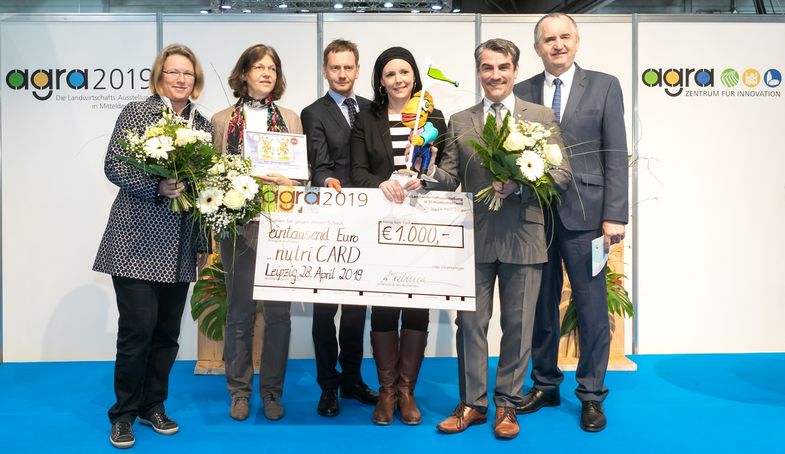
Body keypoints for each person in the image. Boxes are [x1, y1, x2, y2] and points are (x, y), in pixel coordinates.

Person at [432, 38, 571, 439]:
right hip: (473, 239)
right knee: (470, 325)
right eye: (487, 68)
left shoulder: (540, 116)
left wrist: (521, 188)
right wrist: (421, 169)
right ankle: (472, 404)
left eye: (503, 67)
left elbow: (561, 176)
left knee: (518, 325)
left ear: (514, 69)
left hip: (524, 237)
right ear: (479, 71)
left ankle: (507, 404)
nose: (495, 75)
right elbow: (449, 178)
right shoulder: (460, 121)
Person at [513, 13, 629, 432]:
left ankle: (592, 395)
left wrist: (615, 215)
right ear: (537, 48)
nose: (557, 45)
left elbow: (615, 152)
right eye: (548, 39)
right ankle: (545, 384)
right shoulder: (521, 90)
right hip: (533, 216)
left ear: (577, 41)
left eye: (564, 37)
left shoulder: (604, 84)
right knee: (540, 306)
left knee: (591, 306)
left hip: (588, 217)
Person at [93, 43, 212, 449]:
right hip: (134, 241)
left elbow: (203, 193)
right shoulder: (138, 112)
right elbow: (114, 164)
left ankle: (153, 406)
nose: (180, 79)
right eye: (173, 72)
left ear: (195, 82)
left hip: (179, 246)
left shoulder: (204, 126)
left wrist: (201, 241)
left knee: (167, 334)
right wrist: (157, 186)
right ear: (159, 76)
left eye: (188, 74)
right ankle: (123, 414)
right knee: (136, 332)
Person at [350, 46, 447, 426]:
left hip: (424, 225)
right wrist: (383, 183)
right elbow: (357, 171)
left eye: (404, 72)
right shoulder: (367, 118)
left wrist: (429, 176)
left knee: (418, 305)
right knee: (386, 306)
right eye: (390, 74)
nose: (398, 80)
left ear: (415, 76)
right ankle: (386, 391)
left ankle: (408, 390)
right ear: (380, 81)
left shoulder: (434, 116)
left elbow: (445, 169)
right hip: (381, 225)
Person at [211, 44, 304, 422]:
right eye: (258, 67)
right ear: (244, 73)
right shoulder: (221, 120)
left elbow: (302, 176)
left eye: (272, 68)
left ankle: (271, 391)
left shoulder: (292, 118)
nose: (266, 73)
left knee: (280, 314)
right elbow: (212, 176)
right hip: (238, 226)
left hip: (282, 227)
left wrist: (290, 180)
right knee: (239, 313)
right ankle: (239, 391)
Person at [300, 39, 378, 417]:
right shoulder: (313, 112)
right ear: (325, 70)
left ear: (358, 69)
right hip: (329, 219)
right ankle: (327, 386)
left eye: (348, 67)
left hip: (368, 219)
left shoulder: (371, 109)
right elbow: (318, 162)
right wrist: (328, 182)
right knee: (323, 309)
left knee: (356, 309)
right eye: (335, 68)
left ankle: (352, 379)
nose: (342, 74)